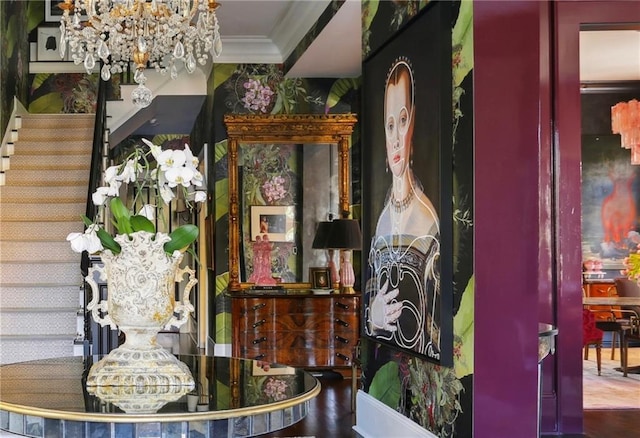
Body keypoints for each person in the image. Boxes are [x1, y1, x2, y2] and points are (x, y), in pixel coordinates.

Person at [364, 58, 441, 360]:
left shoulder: (428, 221)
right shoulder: (381, 218)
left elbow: (436, 322)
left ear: (414, 124)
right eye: (390, 125)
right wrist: (373, 316)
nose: (396, 138)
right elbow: (372, 296)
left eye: (403, 120)